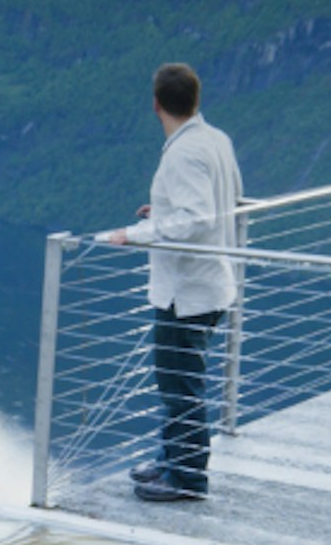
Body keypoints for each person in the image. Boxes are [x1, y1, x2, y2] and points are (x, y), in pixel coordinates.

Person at [101, 62, 241, 503]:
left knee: (181, 385)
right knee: (177, 380)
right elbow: (215, 201)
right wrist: (160, 210)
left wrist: (135, 234)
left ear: (156, 105)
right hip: (209, 284)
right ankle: (172, 460)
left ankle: (187, 479)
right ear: (195, 100)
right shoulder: (215, 140)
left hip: (186, 293)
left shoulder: (182, 153)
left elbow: (196, 218)